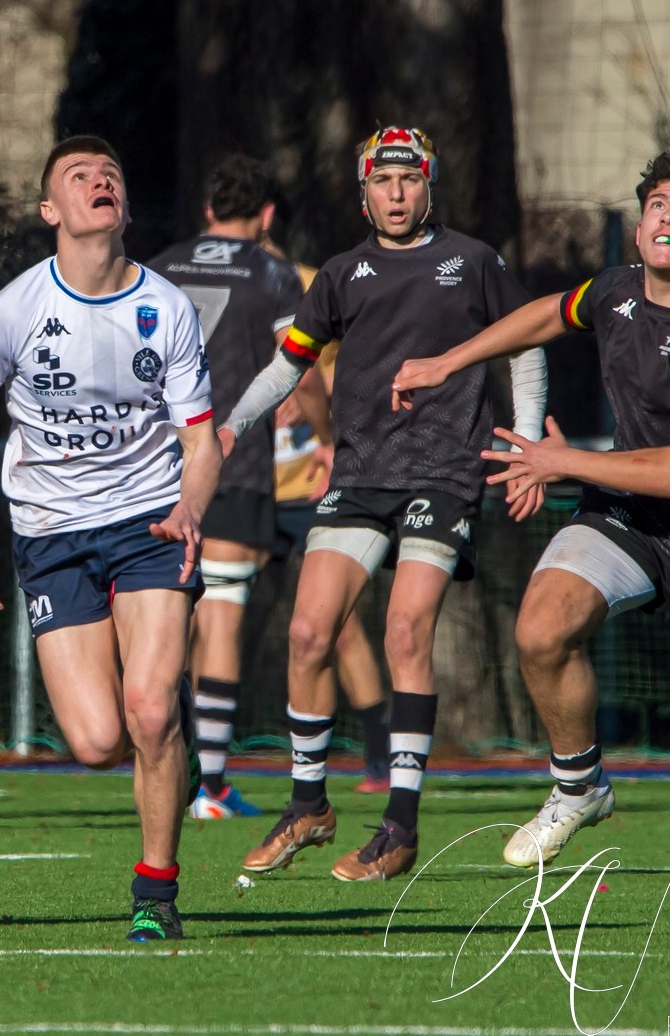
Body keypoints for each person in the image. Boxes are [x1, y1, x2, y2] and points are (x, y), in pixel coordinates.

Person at [394, 152, 670, 929]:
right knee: (540, 626)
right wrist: (446, 361)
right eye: (656, 203)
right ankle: (578, 784)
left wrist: (559, 459)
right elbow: (548, 312)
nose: (666, 215)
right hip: (628, 515)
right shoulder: (619, 289)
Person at [218, 126, 547, 882]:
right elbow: (289, 362)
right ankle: (308, 803)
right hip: (361, 475)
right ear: (362, 191)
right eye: (381, 181)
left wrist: (526, 441)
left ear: (429, 186)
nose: (395, 193)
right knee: (306, 632)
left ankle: (399, 824)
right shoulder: (340, 271)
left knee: (404, 628)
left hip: (442, 474)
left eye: (408, 180)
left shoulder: (470, 261)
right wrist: (234, 424)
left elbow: (525, 344)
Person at [0, 135, 221, 942]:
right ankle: (172, 739)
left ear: (122, 205)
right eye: (80, 176)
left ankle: (154, 894)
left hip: (151, 521)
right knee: (96, 740)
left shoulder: (167, 305)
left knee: (147, 708)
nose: (101, 182)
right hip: (52, 534)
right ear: (51, 210)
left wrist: (191, 504)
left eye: (111, 175)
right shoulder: (15, 308)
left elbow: (201, 438)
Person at [146, 155, 330, 819]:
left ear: (206, 211)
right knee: (219, 610)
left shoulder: (160, 264)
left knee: (159, 616)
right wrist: (329, 437)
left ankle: (156, 755)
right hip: (229, 461)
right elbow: (302, 372)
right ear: (266, 216)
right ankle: (212, 786)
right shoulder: (273, 272)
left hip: (151, 468)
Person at [261, 226, 391, 795]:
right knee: (210, 619)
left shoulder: (316, 286)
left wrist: (326, 429)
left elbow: (354, 368)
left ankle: (381, 755)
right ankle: (202, 764)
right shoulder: (203, 293)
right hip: (243, 486)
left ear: (265, 222)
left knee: (337, 624)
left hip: (311, 481)